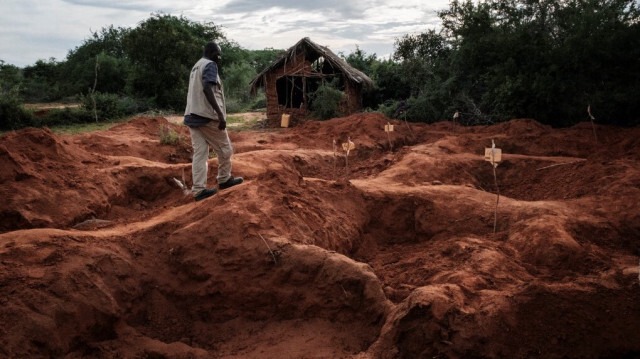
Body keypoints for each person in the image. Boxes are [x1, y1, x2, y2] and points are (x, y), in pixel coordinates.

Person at [184, 42, 243, 201]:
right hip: (207, 117)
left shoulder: (196, 66)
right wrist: (220, 115)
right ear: (211, 52)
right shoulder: (210, 65)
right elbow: (207, 88)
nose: (220, 57)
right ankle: (224, 179)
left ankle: (199, 190)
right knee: (225, 148)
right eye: (218, 53)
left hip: (192, 116)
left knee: (200, 154)